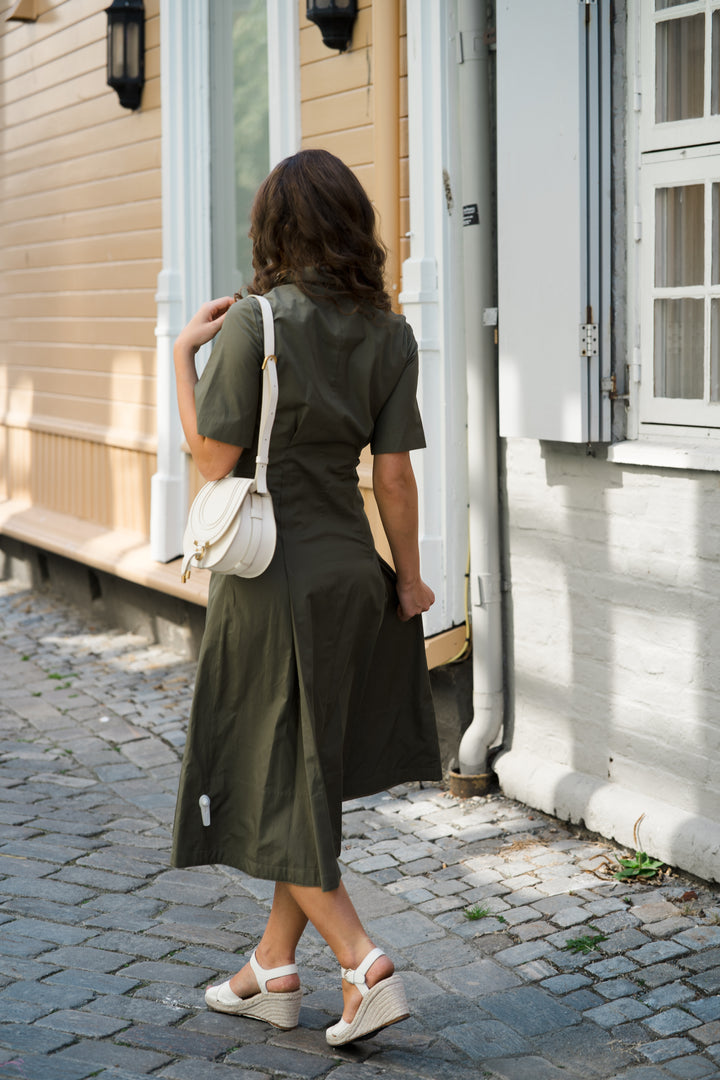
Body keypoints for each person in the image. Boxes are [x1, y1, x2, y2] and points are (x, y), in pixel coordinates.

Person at [170, 148, 441, 1047]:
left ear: (274, 230)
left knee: (277, 770)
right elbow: (393, 477)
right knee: (308, 772)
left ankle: (362, 966)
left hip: (270, 581)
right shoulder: (391, 333)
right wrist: (406, 577)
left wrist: (180, 358)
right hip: (352, 576)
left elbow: (213, 463)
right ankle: (270, 972)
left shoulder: (255, 323)